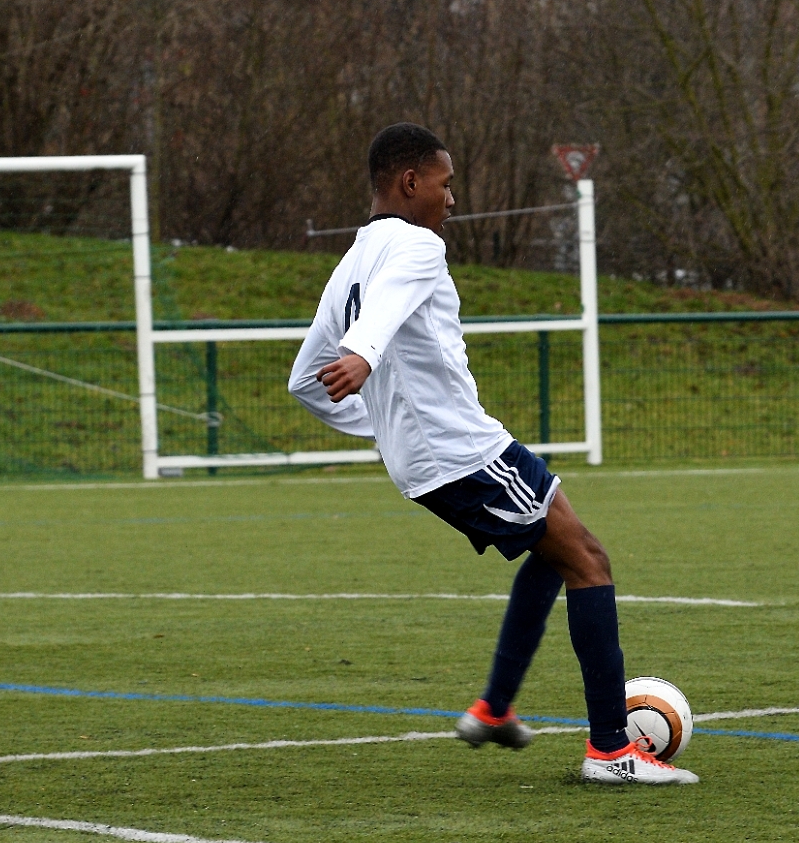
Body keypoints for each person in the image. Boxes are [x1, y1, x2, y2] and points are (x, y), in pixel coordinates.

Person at [287, 122, 696, 783]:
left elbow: (304, 382)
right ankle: (611, 752)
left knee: (557, 547)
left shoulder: (351, 262)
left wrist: (386, 426)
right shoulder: (418, 245)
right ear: (410, 182)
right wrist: (363, 356)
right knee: (589, 560)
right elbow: (382, 314)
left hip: (428, 459)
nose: (452, 199)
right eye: (445, 184)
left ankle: (495, 707)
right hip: (464, 451)